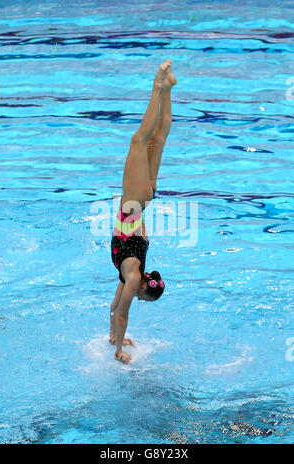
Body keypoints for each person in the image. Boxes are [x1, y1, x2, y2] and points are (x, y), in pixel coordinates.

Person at [109, 59, 177, 364]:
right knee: (140, 140)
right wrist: (119, 351)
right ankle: (158, 86)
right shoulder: (132, 278)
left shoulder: (131, 273)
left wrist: (114, 337)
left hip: (143, 200)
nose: (136, 298)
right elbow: (123, 313)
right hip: (134, 201)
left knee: (158, 139)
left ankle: (168, 89)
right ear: (144, 290)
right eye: (142, 298)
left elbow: (114, 309)